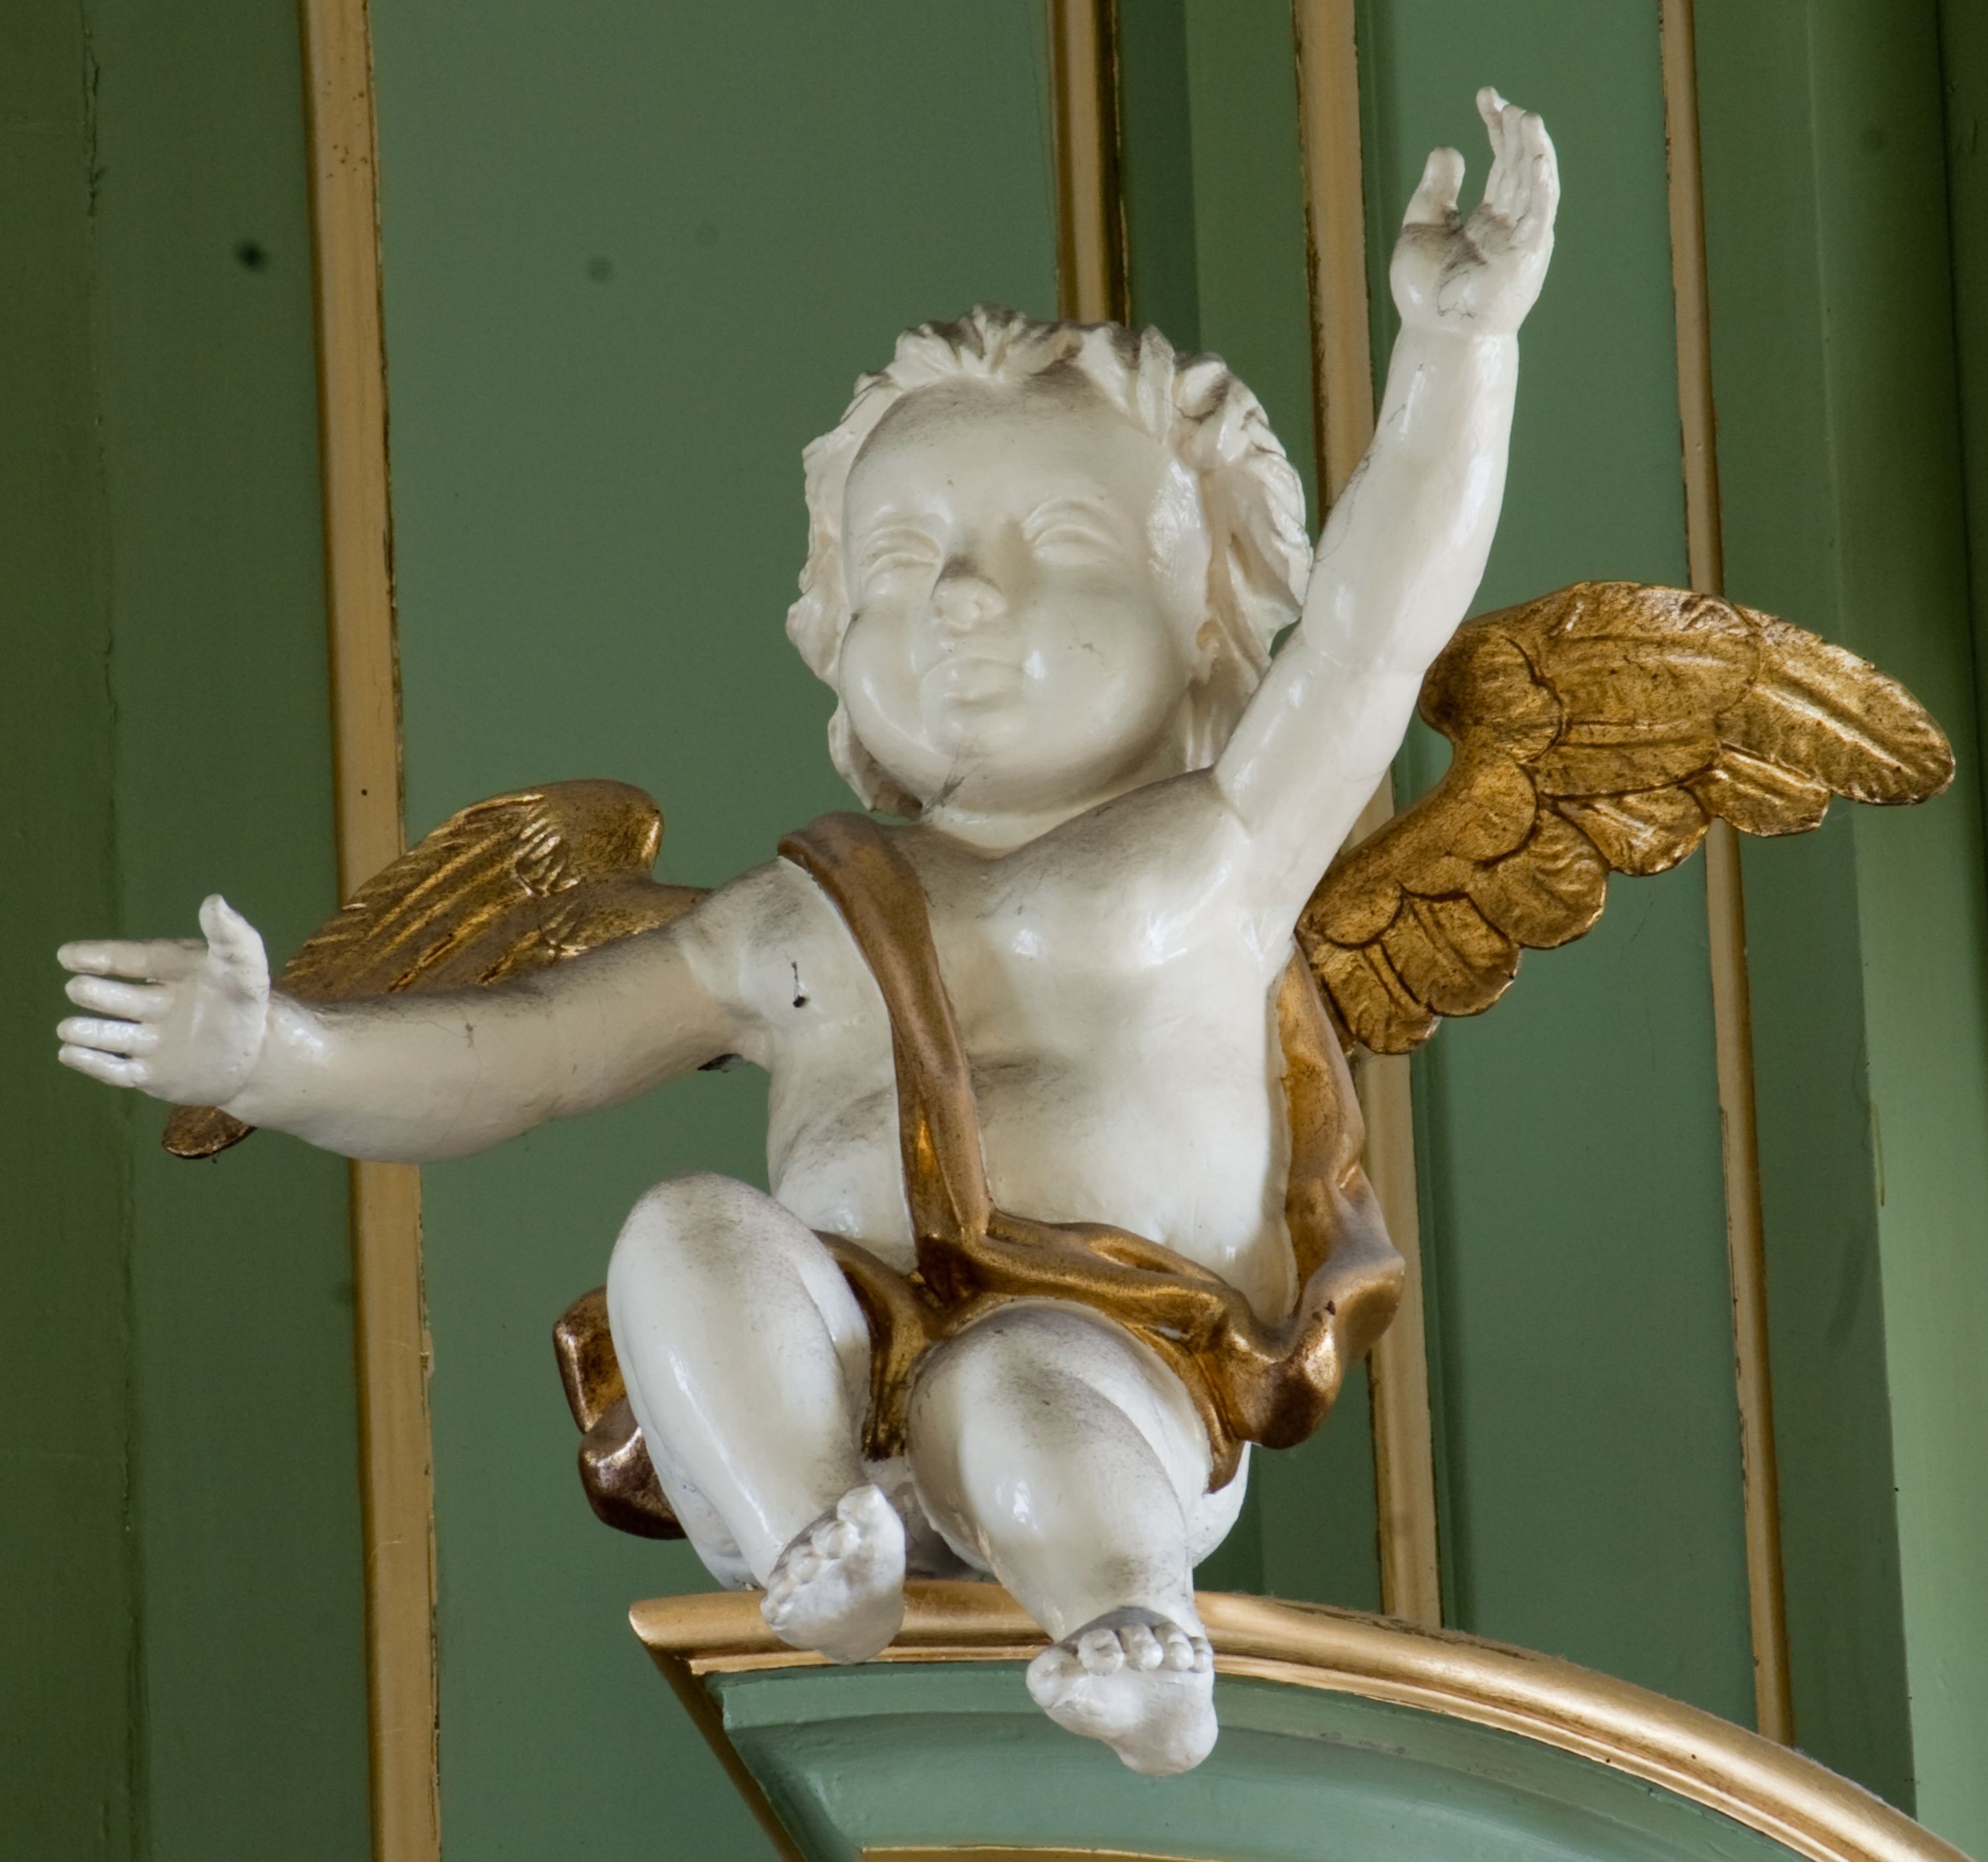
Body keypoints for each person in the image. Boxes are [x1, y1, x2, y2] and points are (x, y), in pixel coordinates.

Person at [57, 90, 1558, 1774]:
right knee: (682, 1236)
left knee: (1014, 1388)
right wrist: (270, 1052)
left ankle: (1130, 1621)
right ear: (834, 623)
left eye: (1054, 545)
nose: (963, 598)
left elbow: (1371, 631)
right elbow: (520, 1056)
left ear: (1203, 609)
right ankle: (809, 1533)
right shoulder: (794, 915)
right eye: (906, 560)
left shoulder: (1216, 849)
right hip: (829, 1371)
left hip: (1124, 1355)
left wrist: (1460, 350)